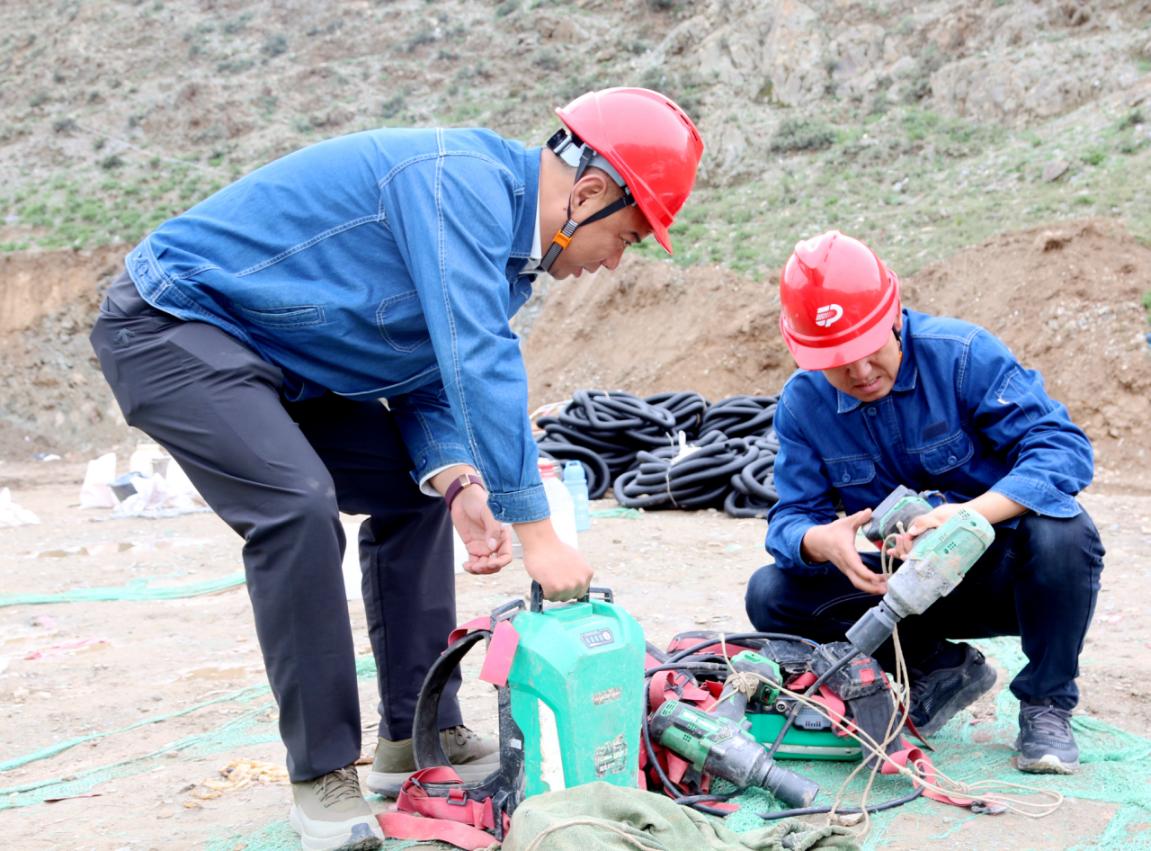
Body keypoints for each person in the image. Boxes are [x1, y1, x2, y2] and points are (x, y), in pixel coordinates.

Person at [90, 88, 703, 850]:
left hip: (280, 364)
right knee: (295, 505)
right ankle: (321, 774)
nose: (613, 260)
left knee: (416, 491)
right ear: (587, 193)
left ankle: (417, 733)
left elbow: (424, 367)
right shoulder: (458, 184)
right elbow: (475, 353)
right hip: (172, 327)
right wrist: (537, 533)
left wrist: (457, 479)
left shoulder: (501, 249)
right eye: (626, 237)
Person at [745, 230, 1104, 775]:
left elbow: (1062, 449)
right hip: (902, 588)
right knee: (772, 593)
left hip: (1003, 581)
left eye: (869, 350)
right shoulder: (802, 405)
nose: (860, 373)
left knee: (1064, 531)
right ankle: (939, 668)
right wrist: (819, 540)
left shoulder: (962, 356)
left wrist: (973, 513)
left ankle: (1046, 703)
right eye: (838, 363)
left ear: (893, 317)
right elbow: (791, 519)